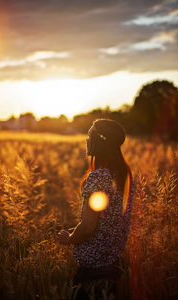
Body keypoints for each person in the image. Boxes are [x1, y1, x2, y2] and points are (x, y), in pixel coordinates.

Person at [58, 119, 134, 299]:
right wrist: (77, 230)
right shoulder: (124, 175)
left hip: (93, 270)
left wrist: (69, 239)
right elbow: (109, 220)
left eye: (89, 135)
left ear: (100, 141)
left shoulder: (98, 176)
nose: (86, 140)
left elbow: (88, 227)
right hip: (114, 265)